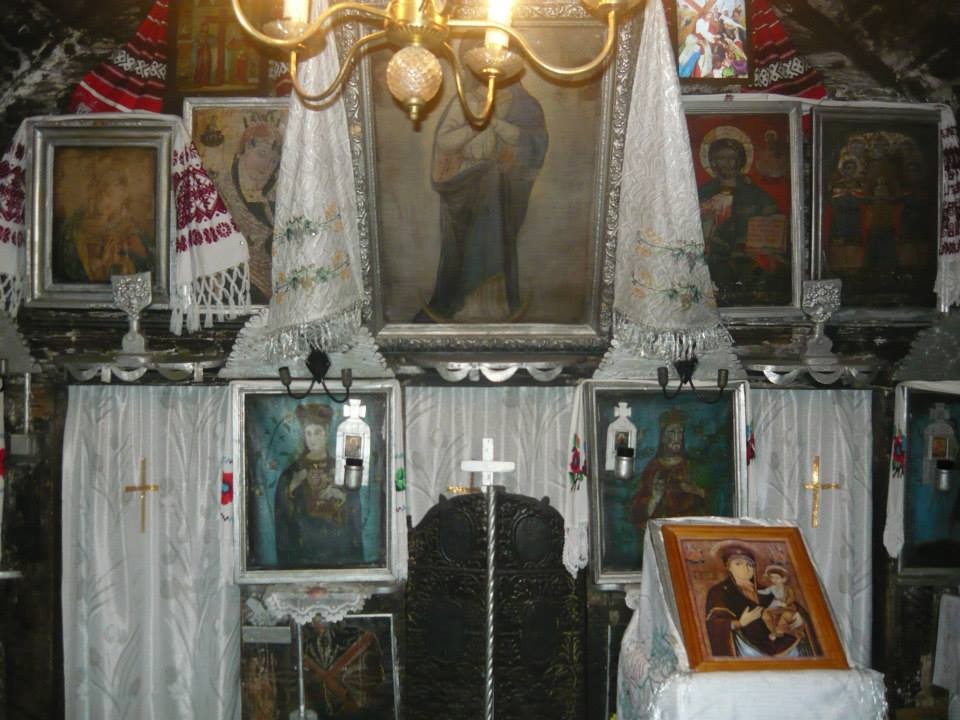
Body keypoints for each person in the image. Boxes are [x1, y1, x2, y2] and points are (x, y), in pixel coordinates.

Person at [415, 40, 548, 323]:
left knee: (493, 236)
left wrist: (498, 127)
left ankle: (493, 306)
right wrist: (475, 128)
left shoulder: (525, 107)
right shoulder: (464, 102)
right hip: (464, 185)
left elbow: (533, 146)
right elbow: (445, 144)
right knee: (461, 247)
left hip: (500, 192)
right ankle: (456, 303)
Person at [697, 135, 785, 303]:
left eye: (732, 157)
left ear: (740, 160)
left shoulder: (755, 194)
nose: (727, 163)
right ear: (713, 162)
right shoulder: (704, 192)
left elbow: (773, 224)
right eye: (721, 158)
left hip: (749, 259)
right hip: (714, 258)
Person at [274, 403, 363, 566]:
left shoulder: (340, 468)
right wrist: (292, 487)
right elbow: (282, 512)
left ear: (327, 432)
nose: (312, 439)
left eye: (317, 432)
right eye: (308, 433)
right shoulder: (293, 471)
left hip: (338, 549)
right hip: (303, 550)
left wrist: (341, 496)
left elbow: (354, 506)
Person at [705, 542, 818, 657]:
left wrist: (798, 616)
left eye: (749, 564)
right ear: (728, 567)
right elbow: (714, 623)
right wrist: (740, 623)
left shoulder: (765, 590)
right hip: (747, 647)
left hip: (779, 642)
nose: (745, 568)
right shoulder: (719, 591)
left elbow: (788, 605)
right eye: (738, 564)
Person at [630, 408, 708, 541]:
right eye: (671, 432)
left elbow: (712, 502)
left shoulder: (693, 466)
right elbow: (637, 513)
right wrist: (654, 499)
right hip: (661, 534)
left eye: (680, 432)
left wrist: (694, 490)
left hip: (689, 534)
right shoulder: (653, 468)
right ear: (663, 437)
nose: (677, 438)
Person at [758, 565, 803, 641]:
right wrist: (756, 591)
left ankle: (779, 631)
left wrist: (786, 603)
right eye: (772, 577)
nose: (774, 580)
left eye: (777, 578)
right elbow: (765, 592)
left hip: (787, 606)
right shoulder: (772, 587)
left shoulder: (787, 588)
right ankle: (773, 631)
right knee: (766, 615)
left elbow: (791, 597)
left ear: (783, 579)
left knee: (785, 616)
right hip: (776, 605)